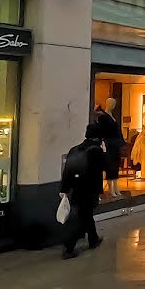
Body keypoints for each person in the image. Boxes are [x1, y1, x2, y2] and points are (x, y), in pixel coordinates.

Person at [59, 124, 106, 259]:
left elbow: (68, 170)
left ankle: (93, 239)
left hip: (76, 189)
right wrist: (104, 152)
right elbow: (105, 167)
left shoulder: (75, 149)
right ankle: (69, 247)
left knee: (86, 214)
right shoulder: (96, 151)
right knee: (83, 218)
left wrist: (64, 189)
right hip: (90, 189)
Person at [93, 100, 124, 198]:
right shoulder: (103, 116)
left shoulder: (111, 115)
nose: (113, 105)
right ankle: (111, 188)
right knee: (110, 166)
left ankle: (115, 187)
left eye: (114, 103)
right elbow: (102, 131)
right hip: (108, 144)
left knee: (115, 165)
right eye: (112, 103)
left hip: (115, 144)